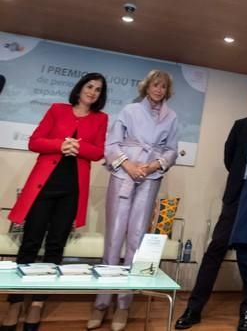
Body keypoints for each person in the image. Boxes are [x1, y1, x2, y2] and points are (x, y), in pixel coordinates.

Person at [2, 73, 108, 331]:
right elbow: (34, 141)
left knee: (55, 246)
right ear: (80, 88)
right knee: (30, 242)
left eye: (98, 90)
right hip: (44, 186)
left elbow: (98, 151)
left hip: (72, 190)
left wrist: (78, 148)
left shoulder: (101, 118)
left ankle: (37, 303)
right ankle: (15, 302)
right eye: (89, 86)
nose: (93, 92)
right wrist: (61, 145)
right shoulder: (57, 110)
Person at [88, 70, 179, 331]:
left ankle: (124, 305)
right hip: (123, 173)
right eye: (155, 85)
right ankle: (101, 303)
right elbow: (111, 144)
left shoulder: (171, 117)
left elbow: (172, 149)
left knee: (136, 239)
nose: (158, 90)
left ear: (167, 90)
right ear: (146, 87)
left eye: (163, 86)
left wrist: (151, 166)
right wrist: (129, 165)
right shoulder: (129, 110)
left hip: (150, 177)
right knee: (114, 237)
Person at [175, 117, 247, 331]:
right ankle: (194, 309)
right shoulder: (242, 125)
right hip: (236, 193)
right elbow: (229, 158)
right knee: (216, 248)